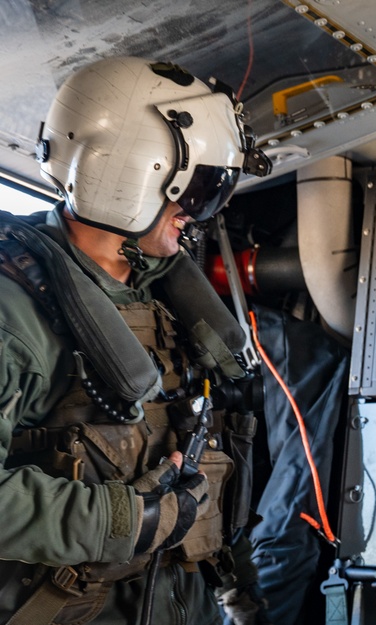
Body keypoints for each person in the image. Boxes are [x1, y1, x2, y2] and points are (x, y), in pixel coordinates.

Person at [0, 57, 272, 624]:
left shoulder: (168, 303)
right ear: (129, 174)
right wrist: (121, 521)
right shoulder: (15, 314)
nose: (196, 215)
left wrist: (236, 582)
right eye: (195, 191)